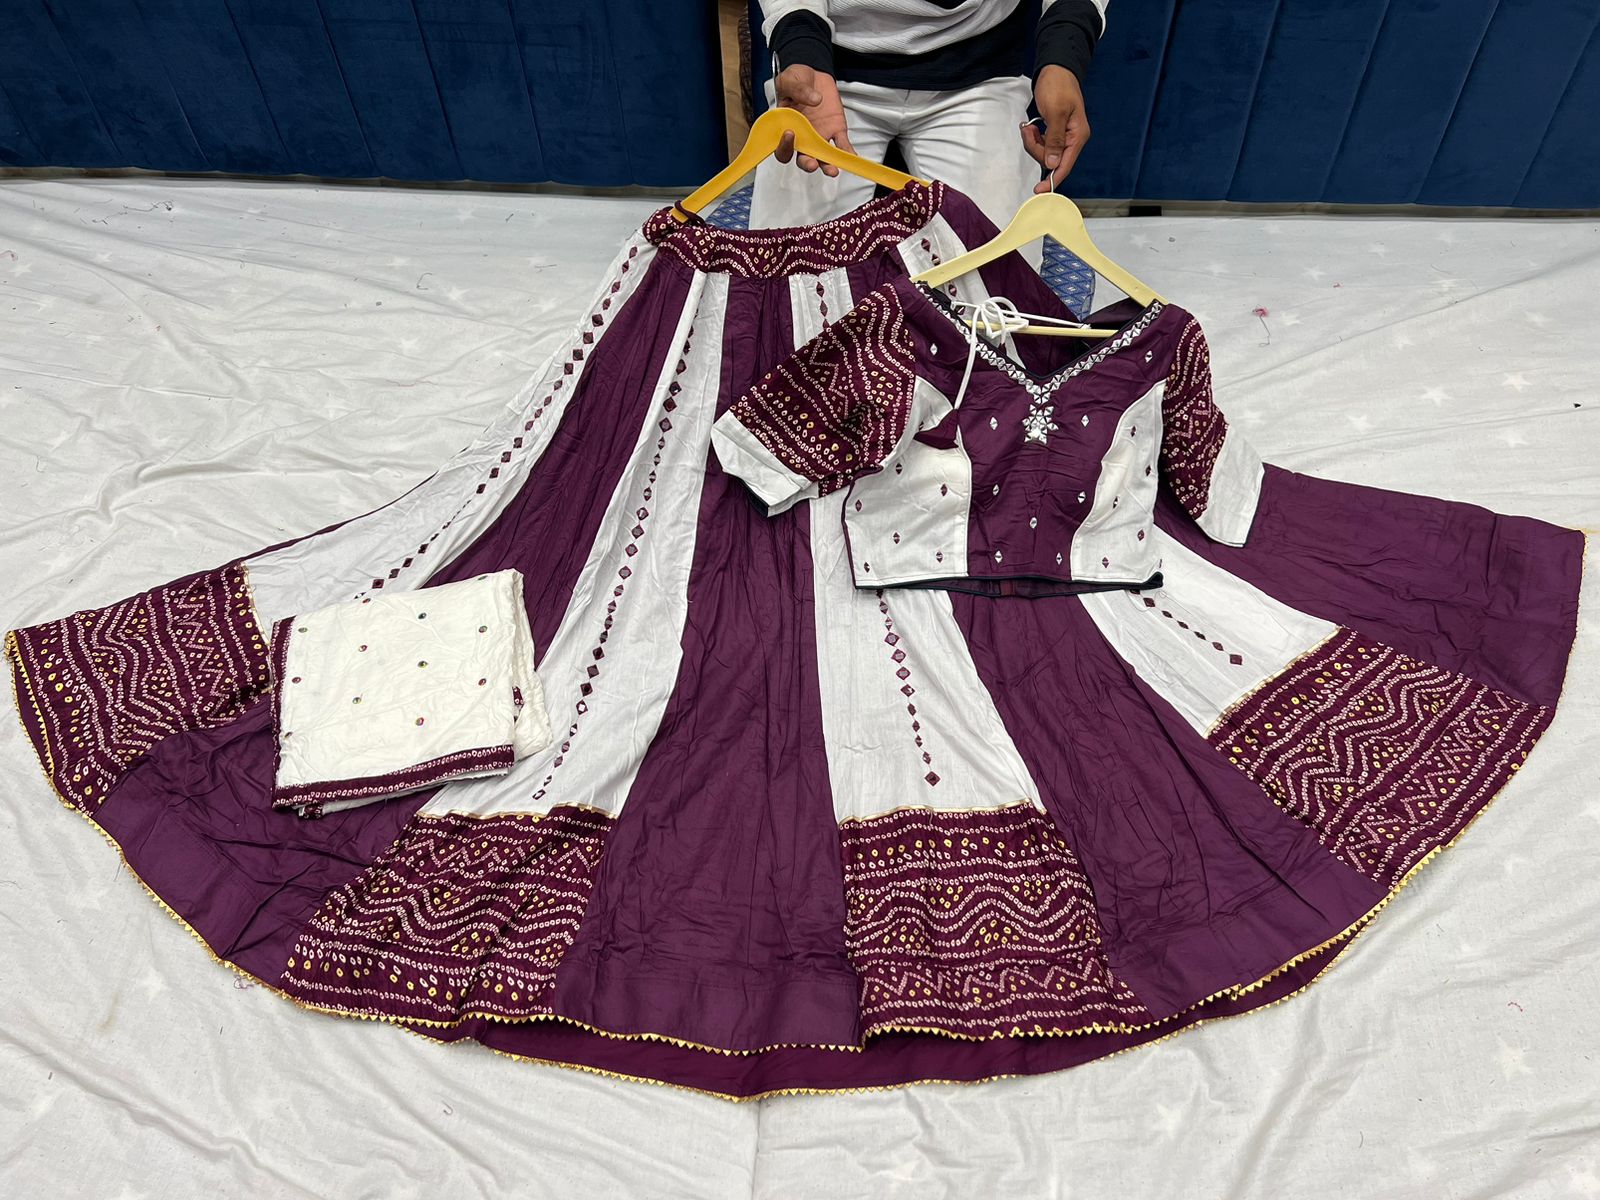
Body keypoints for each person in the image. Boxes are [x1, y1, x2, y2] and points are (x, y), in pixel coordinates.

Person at [749, 0, 1109, 233]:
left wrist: (1063, 58)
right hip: (832, 65)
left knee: (998, 293)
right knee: (783, 280)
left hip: (977, 62)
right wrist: (801, 49)